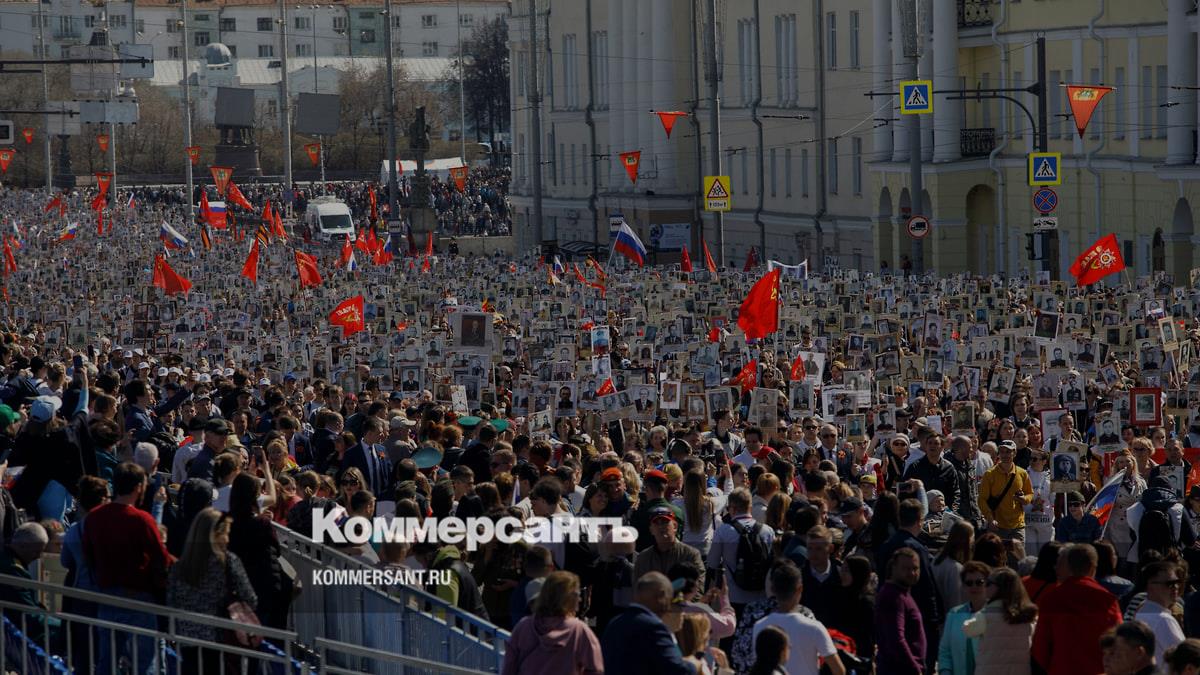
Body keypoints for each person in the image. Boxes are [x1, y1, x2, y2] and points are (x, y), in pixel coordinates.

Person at [166, 508, 258, 675]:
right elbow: (250, 599)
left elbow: (171, 602)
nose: (228, 539)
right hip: (221, 642)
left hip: (187, 642)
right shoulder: (228, 562)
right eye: (226, 533)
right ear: (215, 534)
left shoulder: (178, 568)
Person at [1032, 543, 1122, 675]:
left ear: (1068, 566)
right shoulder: (1107, 599)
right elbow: (1118, 641)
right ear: (1093, 568)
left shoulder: (1052, 598)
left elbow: (1040, 648)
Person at [501, 571, 604, 675]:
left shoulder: (523, 626)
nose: (580, 599)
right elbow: (596, 670)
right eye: (577, 594)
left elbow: (509, 667)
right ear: (566, 597)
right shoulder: (578, 630)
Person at [752, 561, 845, 675]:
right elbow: (839, 670)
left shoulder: (759, 626)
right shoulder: (814, 627)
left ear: (773, 588)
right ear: (800, 589)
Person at [599, 571, 693, 675]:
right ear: (661, 595)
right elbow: (679, 670)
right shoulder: (654, 627)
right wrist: (694, 664)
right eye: (669, 598)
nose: (668, 607)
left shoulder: (614, 623)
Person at [962, 567, 1037, 674]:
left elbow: (968, 630)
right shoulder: (1029, 615)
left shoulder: (985, 616)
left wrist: (982, 609)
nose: (984, 586)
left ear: (1000, 588)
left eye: (988, 583)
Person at [978, 440, 1033, 563]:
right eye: (1002, 451)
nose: (1005, 455)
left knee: (1018, 562)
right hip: (997, 527)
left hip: (1017, 526)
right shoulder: (989, 474)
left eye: (1008, 452)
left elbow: (1030, 494)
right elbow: (982, 499)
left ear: (1015, 453)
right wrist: (990, 519)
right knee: (996, 562)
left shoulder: (1022, 473)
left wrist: (1024, 499)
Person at [875, 547, 927, 675]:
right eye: (906, 568)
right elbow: (896, 639)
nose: (912, 573)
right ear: (893, 568)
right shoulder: (893, 596)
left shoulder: (902, 593)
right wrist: (915, 669)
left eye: (915, 568)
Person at [938, 560, 991, 675]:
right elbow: (945, 651)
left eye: (979, 582)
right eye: (969, 583)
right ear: (963, 586)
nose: (974, 586)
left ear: (987, 584)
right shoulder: (954, 614)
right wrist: (945, 671)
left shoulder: (995, 614)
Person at [1133, 561, 1186, 665]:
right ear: (1150, 586)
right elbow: (1186, 658)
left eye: (1177, 582)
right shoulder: (1163, 619)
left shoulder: (1139, 613)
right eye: (1169, 584)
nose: (1176, 587)